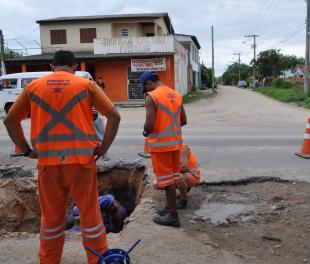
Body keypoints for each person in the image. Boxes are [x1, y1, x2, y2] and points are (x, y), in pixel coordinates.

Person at [3, 50, 121, 264]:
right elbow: (114, 116)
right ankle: (98, 260)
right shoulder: (86, 85)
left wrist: (27, 150)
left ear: (52, 66)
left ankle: (49, 260)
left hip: (48, 165)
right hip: (82, 164)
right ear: (75, 67)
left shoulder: (33, 87)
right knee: (90, 218)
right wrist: (103, 148)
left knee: (51, 221)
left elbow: (10, 121)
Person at [141, 71, 187, 227]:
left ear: (148, 83)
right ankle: (170, 208)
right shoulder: (176, 95)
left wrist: (146, 132)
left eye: (146, 87)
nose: (146, 91)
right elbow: (184, 120)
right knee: (173, 178)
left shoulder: (152, 96)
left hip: (161, 146)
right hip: (175, 144)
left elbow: (149, 124)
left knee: (166, 182)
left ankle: (173, 217)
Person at [154, 143, 201, 210]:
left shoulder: (182, 148)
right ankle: (183, 189)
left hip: (192, 174)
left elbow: (184, 168)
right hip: (183, 173)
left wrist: (167, 171)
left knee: (178, 177)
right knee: (157, 183)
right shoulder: (167, 148)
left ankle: (183, 201)